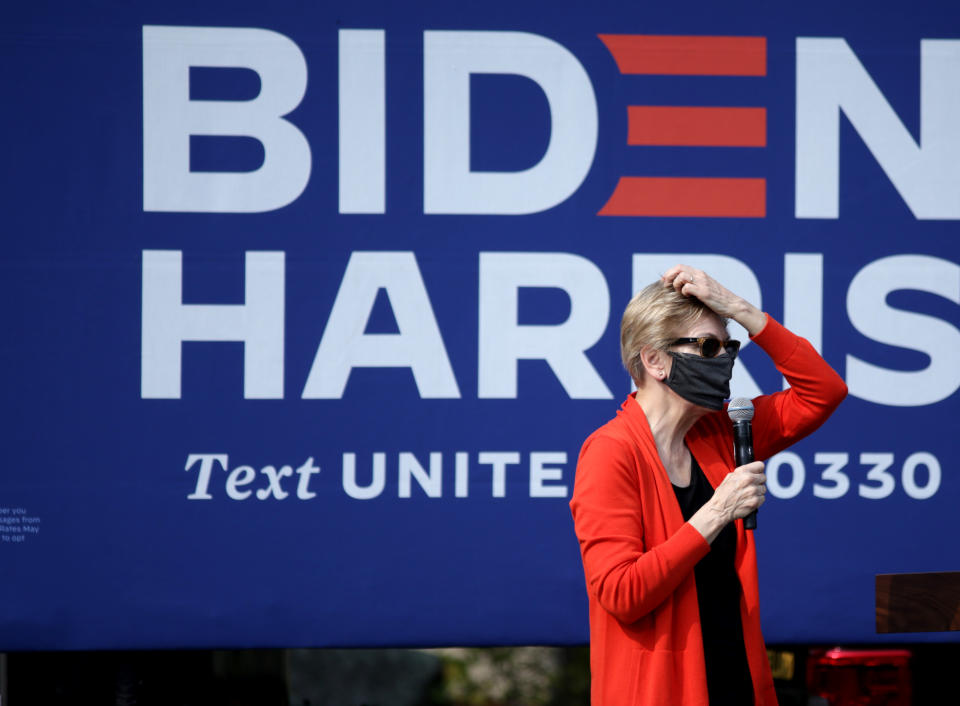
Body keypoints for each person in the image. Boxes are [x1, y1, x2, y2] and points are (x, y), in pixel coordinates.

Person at [569, 265, 847, 706]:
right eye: (709, 346)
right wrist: (718, 511)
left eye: (729, 346)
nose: (726, 360)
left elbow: (823, 392)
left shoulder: (721, 431)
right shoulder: (610, 451)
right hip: (660, 692)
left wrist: (738, 309)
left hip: (736, 681)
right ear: (655, 360)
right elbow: (622, 593)